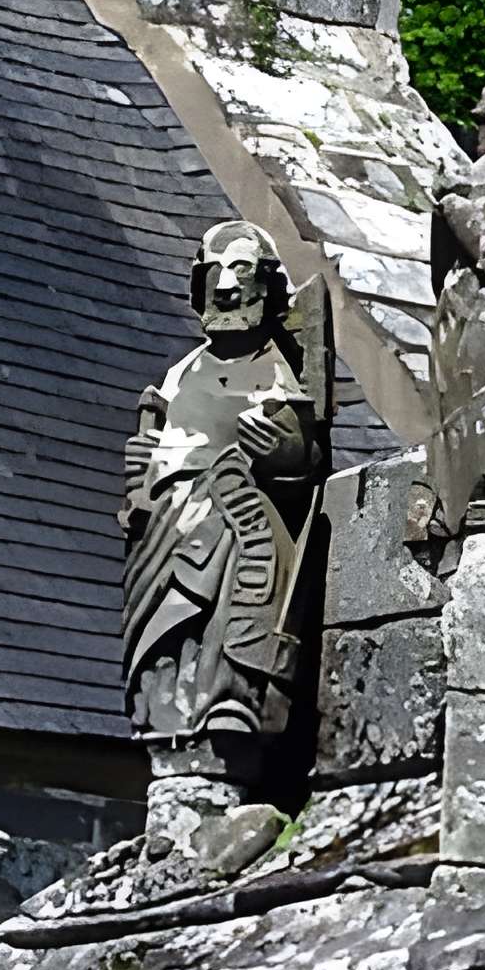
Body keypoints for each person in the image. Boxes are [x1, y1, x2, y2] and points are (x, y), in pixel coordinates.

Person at [121, 222, 319, 750]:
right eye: (216, 271)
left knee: (223, 559)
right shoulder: (179, 373)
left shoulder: (277, 373)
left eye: (242, 270)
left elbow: (304, 460)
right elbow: (153, 438)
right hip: (163, 526)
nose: (227, 285)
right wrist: (141, 470)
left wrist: (278, 449)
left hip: (230, 517)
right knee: (163, 631)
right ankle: (163, 699)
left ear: (266, 286)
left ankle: (228, 695)